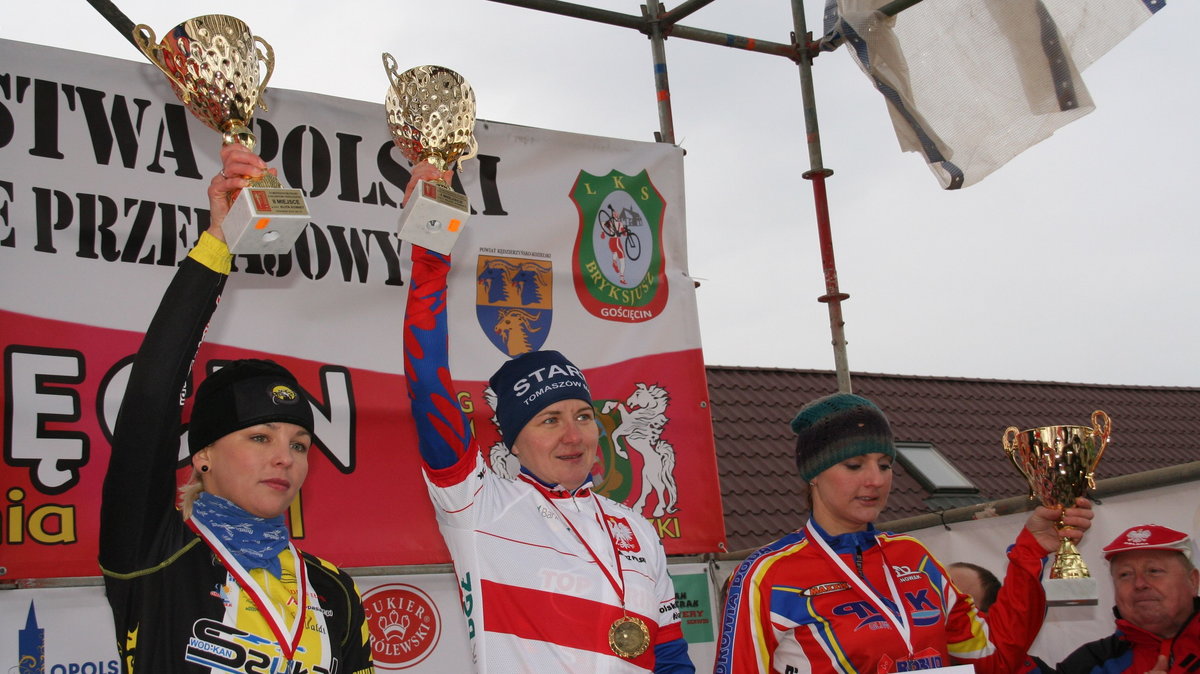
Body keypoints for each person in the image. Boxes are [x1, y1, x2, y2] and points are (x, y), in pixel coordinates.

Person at [401, 163, 694, 672]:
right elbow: (428, 385)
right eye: (549, 420)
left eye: (583, 415)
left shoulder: (637, 528)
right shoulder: (479, 506)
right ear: (512, 442)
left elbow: (669, 655)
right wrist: (430, 255)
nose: (574, 434)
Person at [98, 144, 375, 674]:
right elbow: (151, 394)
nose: (285, 457)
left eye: (298, 443)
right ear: (201, 455)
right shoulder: (153, 552)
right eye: (259, 437)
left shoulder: (332, 587)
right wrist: (220, 242)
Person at [714, 392, 1094, 674]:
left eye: (885, 464)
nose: (875, 480)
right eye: (853, 464)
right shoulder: (766, 575)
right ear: (812, 473)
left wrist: (1032, 551)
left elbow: (995, 657)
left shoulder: (913, 557)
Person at [1054, 524, 1199, 674]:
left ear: (1193, 581)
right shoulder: (1090, 663)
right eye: (1125, 574)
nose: (1139, 584)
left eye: (1154, 571)